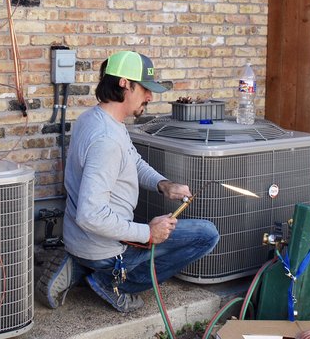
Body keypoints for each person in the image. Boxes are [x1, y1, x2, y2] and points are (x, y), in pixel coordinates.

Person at [36, 51, 219, 313]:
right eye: (145, 89)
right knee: (206, 235)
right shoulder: (106, 140)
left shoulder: (94, 118)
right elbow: (91, 215)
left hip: (82, 239)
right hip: (107, 247)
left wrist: (163, 184)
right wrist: (147, 233)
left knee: (177, 232)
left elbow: (133, 161)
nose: (150, 96)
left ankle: (77, 263)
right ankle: (112, 282)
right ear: (124, 83)